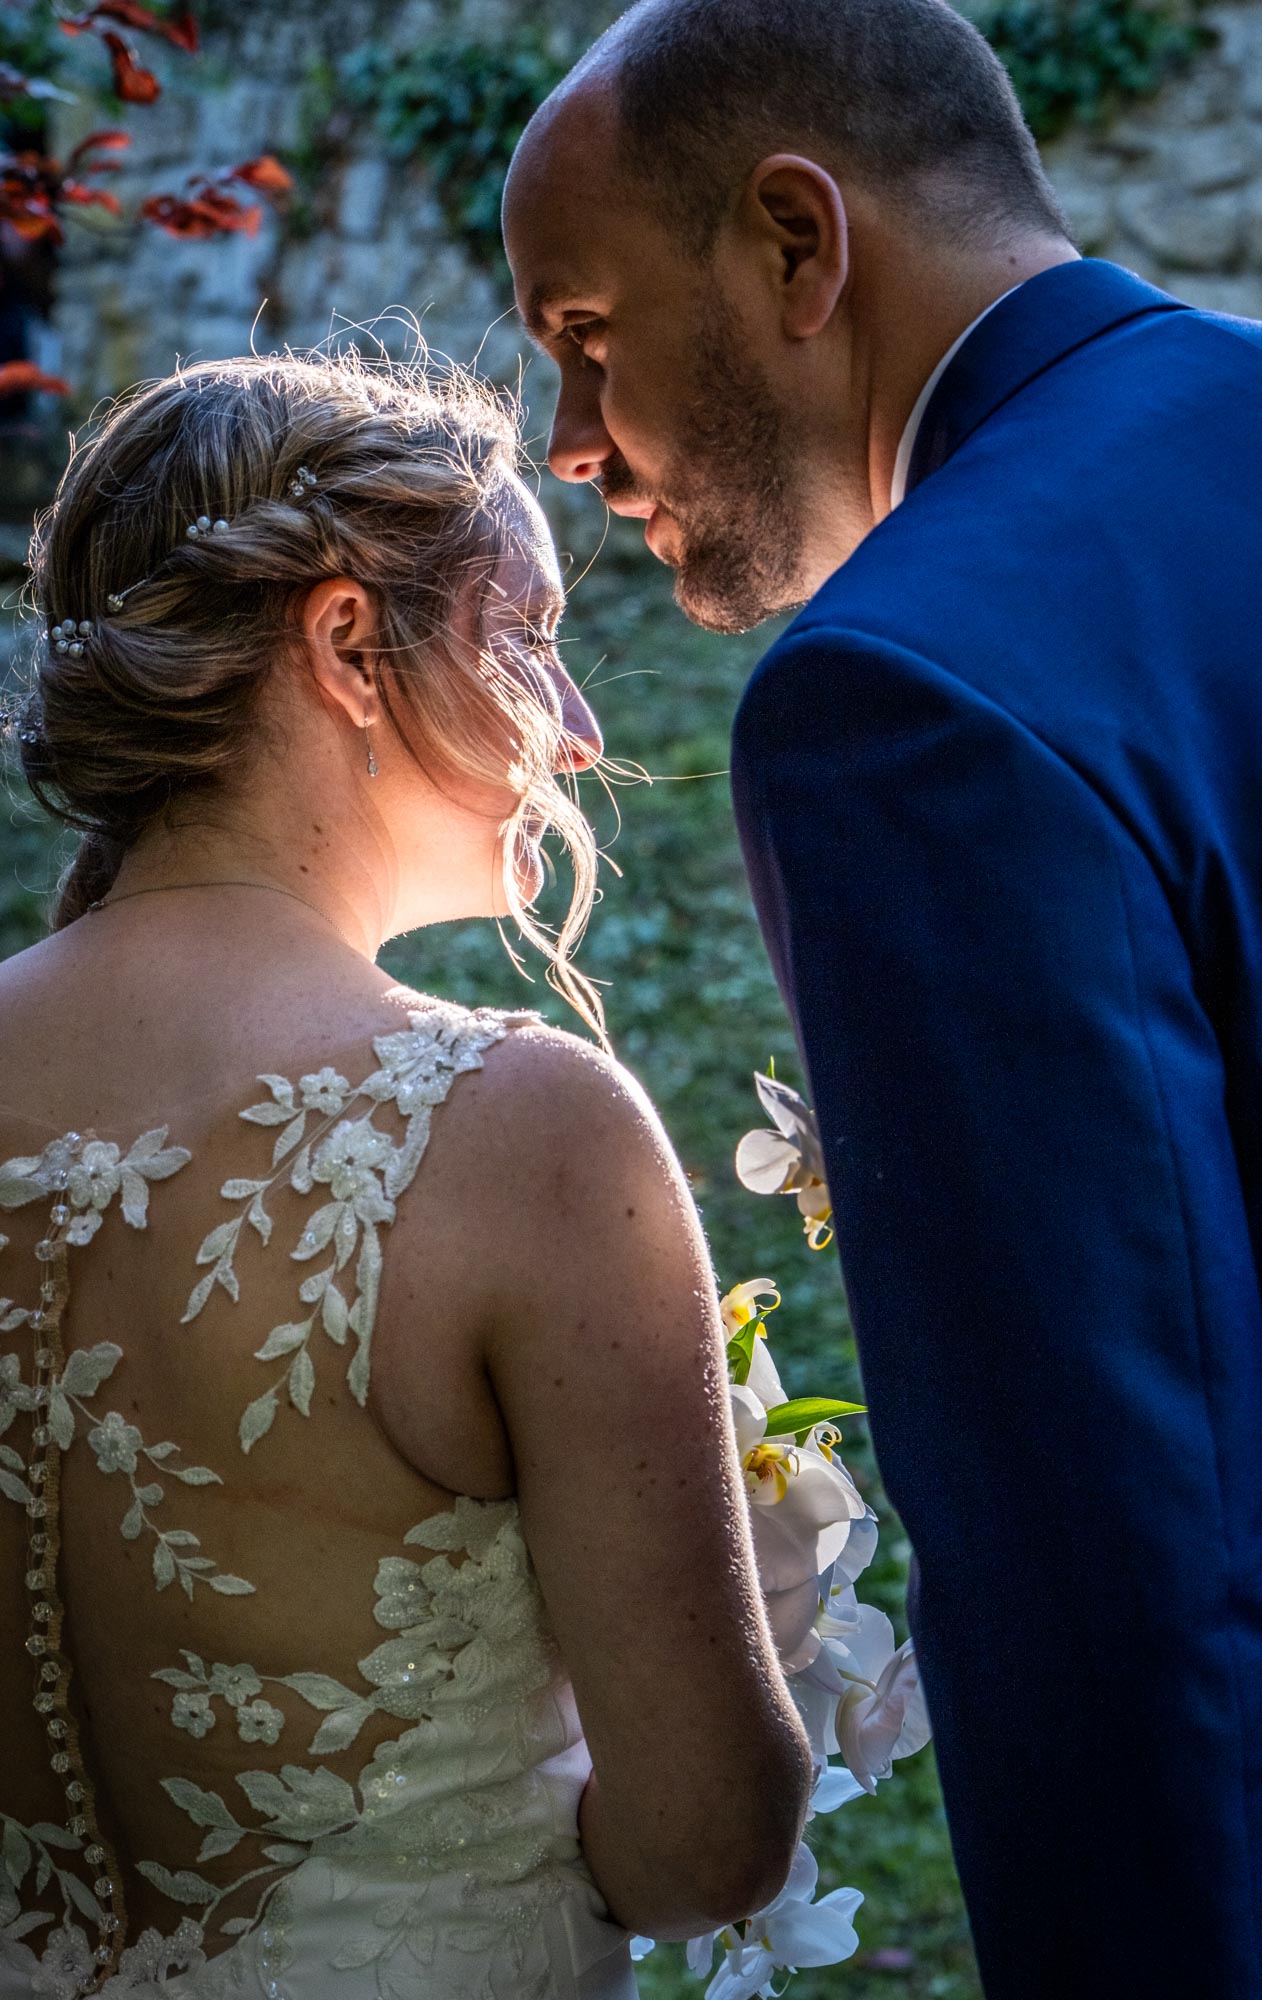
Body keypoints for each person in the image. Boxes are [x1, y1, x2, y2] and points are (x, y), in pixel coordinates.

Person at [502, 1, 1262, 1994]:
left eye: (585, 332)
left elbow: (1105, 1544)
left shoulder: (911, 697)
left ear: (796, 242)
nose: (569, 442)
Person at [0, 352, 812, 1996]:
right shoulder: (519, 1133)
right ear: (345, 645)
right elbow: (709, 1844)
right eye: (528, 638)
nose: (579, 731)